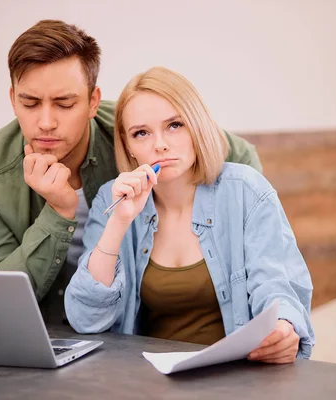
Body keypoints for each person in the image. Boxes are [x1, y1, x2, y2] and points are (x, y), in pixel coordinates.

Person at [0, 20, 263, 322]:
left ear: (92, 101)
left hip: (130, 333)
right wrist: (58, 213)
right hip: (43, 335)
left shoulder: (135, 127)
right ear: (13, 100)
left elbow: (234, 153)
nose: (46, 122)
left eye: (64, 103)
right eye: (31, 103)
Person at [64, 66, 315, 363]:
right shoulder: (112, 198)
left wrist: (284, 328)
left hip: (238, 377)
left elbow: (276, 286)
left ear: (196, 125)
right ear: (128, 146)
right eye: (141, 133)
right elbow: (85, 318)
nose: (159, 144)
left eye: (174, 125)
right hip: (144, 381)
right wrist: (119, 222)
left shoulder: (245, 190)